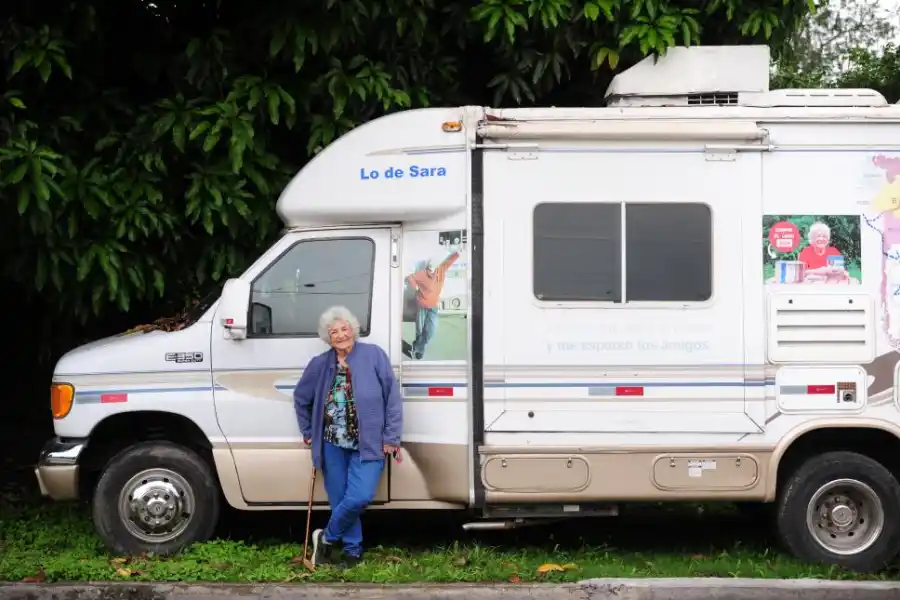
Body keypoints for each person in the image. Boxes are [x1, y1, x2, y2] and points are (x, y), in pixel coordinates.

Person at [293, 306, 403, 567]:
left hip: (369, 442)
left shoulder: (374, 356)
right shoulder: (320, 364)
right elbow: (301, 398)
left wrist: (391, 436)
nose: (341, 335)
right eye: (334, 332)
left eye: (344, 329)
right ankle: (353, 551)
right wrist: (308, 432)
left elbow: (392, 399)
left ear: (353, 329)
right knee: (340, 499)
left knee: (360, 497)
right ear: (328, 338)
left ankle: (327, 539)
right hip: (332, 443)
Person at [405, 250, 460, 359]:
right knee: (420, 330)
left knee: (430, 331)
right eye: (428, 268)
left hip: (433, 307)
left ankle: (417, 346)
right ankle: (419, 350)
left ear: (436, 267)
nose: (430, 270)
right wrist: (416, 287)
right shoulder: (422, 274)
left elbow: (449, 261)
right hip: (422, 306)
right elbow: (410, 278)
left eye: (432, 268)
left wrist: (458, 253)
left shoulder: (441, 270)